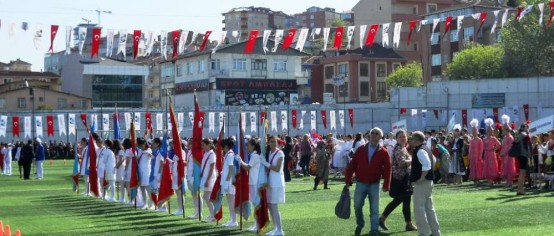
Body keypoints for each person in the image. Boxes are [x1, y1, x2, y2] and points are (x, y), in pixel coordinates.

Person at [345, 127, 391, 236]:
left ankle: (374, 229)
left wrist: (386, 184)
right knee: (357, 205)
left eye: (377, 133)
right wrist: (348, 179)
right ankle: (360, 224)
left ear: (380, 137)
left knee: (374, 208)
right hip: (361, 182)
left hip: (375, 183)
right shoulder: (361, 149)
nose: (374, 135)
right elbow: (352, 165)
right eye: (372, 133)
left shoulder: (384, 151)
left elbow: (388, 169)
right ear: (369, 135)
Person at [379, 130, 417, 232]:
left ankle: (406, 223)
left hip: (403, 178)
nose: (402, 138)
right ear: (396, 138)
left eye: (403, 136)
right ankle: (407, 223)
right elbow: (402, 163)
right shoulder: (398, 149)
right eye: (400, 137)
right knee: (402, 200)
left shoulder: (403, 148)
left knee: (402, 200)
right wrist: (413, 160)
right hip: (400, 178)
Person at [410, 131, 441, 236]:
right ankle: (435, 232)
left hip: (422, 183)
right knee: (429, 208)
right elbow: (434, 160)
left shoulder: (420, 151)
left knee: (419, 209)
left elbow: (427, 164)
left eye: (412, 139)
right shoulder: (426, 148)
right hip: (429, 182)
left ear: (416, 140)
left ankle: (424, 233)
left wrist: (421, 178)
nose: (410, 141)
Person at [260, 136, 286, 236]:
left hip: (277, 182)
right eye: (271, 142)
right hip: (270, 182)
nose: (273, 143)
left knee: (274, 206)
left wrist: (265, 163)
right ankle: (275, 228)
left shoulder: (280, 153)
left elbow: (277, 168)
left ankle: (280, 230)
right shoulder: (270, 153)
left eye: (274, 141)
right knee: (270, 206)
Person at [236, 138, 262, 232]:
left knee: (256, 203)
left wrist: (240, 161)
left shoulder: (255, 156)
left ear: (253, 146)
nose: (247, 146)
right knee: (255, 203)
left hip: (255, 182)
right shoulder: (253, 155)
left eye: (248, 145)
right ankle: (256, 223)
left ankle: (258, 224)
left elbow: (247, 168)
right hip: (253, 181)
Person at [219, 138, 238, 227]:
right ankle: (231, 219)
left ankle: (234, 220)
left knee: (231, 201)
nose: (222, 149)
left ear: (226, 146)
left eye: (223, 147)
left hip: (229, 181)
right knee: (229, 201)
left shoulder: (230, 154)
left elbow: (231, 168)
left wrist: (227, 181)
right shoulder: (227, 154)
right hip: (227, 179)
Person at [200, 138, 217, 223]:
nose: (202, 147)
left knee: (207, 197)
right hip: (205, 177)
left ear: (209, 145)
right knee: (206, 197)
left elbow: (211, 168)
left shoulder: (212, 155)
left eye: (203, 145)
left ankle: (213, 215)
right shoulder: (206, 154)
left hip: (209, 178)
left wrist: (207, 180)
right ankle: (212, 214)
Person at [185, 140, 202, 218]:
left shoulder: (197, 153)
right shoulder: (189, 152)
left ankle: (199, 213)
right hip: (189, 175)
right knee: (193, 194)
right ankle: (196, 212)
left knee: (197, 194)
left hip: (195, 176)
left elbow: (199, 164)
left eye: (191, 143)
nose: (189, 145)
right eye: (189, 143)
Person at [483, 119, 501, 186]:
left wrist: (494, 148)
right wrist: (486, 149)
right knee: (487, 165)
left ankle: (492, 180)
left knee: (492, 166)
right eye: (488, 131)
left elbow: (499, 144)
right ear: (487, 131)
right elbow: (483, 147)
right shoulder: (484, 139)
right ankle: (488, 180)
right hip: (487, 154)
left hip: (492, 153)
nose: (490, 132)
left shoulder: (493, 138)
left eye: (491, 131)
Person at [500, 116, 517, 188]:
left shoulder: (510, 137)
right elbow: (503, 146)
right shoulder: (504, 137)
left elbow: (510, 147)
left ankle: (510, 182)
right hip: (504, 155)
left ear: (507, 130)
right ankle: (507, 181)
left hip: (509, 155)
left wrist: (504, 153)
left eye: (503, 129)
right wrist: (501, 153)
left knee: (509, 167)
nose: (502, 131)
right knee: (505, 167)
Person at [515, 123, 532, 195]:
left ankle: (520, 189)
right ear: (523, 128)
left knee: (522, 173)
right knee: (522, 173)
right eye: (526, 127)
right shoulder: (523, 134)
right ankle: (520, 190)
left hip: (522, 155)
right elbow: (516, 141)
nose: (528, 128)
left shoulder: (522, 134)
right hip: (522, 156)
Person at [137, 138, 154, 209]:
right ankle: (144, 203)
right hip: (140, 170)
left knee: (147, 187)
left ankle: (152, 203)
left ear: (144, 144)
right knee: (142, 187)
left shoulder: (149, 149)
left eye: (141, 145)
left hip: (147, 170)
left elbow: (152, 156)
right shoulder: (140, 150)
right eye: (139, 145)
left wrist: (147, 152)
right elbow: (138, 158)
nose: (140, 147)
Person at [172, 140, 187, 215]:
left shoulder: (182, 152)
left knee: (180, 193)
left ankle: (182, 209)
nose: (173, 146)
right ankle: (179, 208)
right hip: (175, 174)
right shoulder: (175, 154)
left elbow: (182, 163)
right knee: (178, 193)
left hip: (179, 175)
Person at [469, 119, 484, 185]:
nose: (474, 132)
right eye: (473, 131)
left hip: (478, 156)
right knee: (473, 167)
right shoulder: (471, 140)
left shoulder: (480, 140)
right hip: (472, 156)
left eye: (475, 131)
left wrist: (480, 156)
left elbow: (481, 149)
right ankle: (474, 179)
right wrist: (469, 155)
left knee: (478, 167)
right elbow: (470, 148)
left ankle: (478, 179)